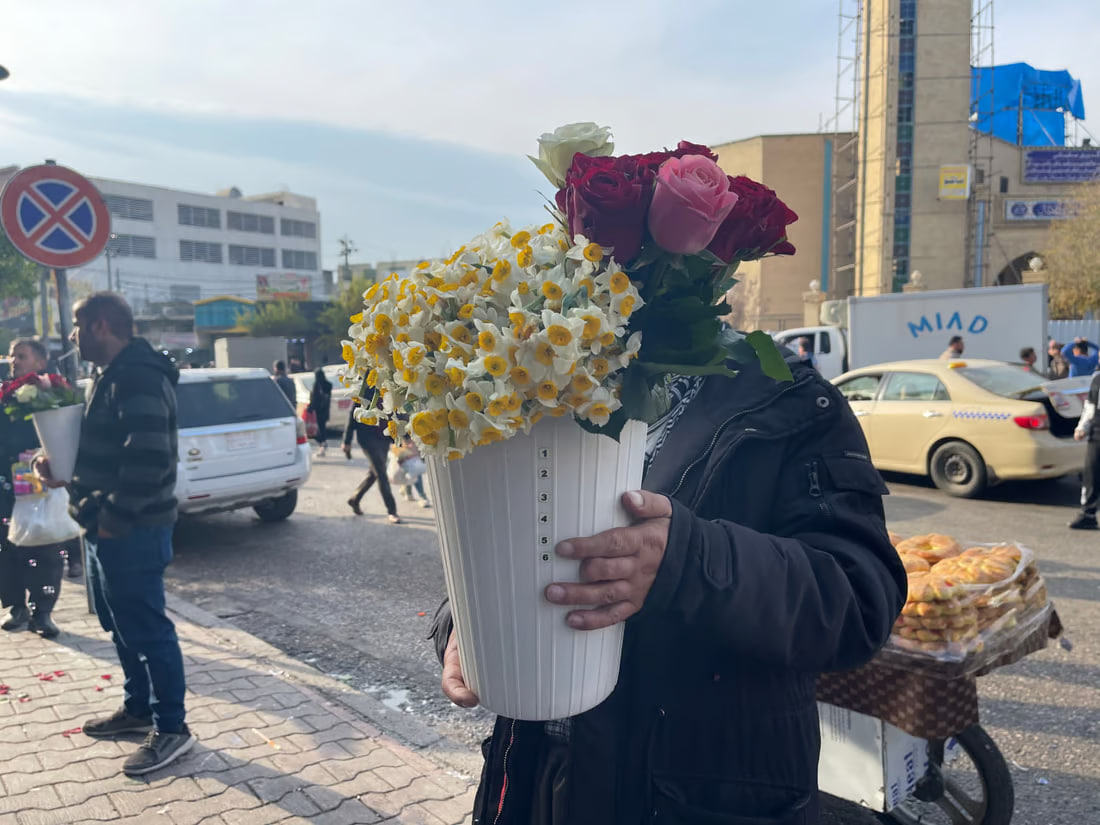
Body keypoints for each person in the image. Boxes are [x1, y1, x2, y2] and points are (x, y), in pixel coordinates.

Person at [431, 353, 907, 825]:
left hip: (699, 796)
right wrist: (468, 620)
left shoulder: (790, 397)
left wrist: (689, 561)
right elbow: (512, 543)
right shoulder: (535, 369)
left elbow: (860, 599)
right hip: (536, 773)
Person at [36, 293, 193, 777]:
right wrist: (62, 467)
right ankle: (138, 709)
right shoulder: (109, 374)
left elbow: (149, 457)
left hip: (132, 528)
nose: (72, 336)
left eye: (78, 325)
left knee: (148, 628)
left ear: (102, 326)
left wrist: (112, 520)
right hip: (105, 523)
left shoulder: (137, 374)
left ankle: (173, 729)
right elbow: (110, 446)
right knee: (121, 624)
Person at [1, 338, 66, 637]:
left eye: (22, 356)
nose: (14, 361)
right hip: (5, 485)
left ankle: (44, 611)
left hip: (38, 484)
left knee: (46, 551)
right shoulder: (4, 395)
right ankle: (17, 608)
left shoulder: (53, 393)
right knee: (7, 549)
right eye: (13, 356)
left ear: (41, 362)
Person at [342, 402, 401, 524]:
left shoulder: (389, 387)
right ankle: (392, 510)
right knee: (381, 473)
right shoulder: (365, 388)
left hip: (384, 437)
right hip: (368, 438)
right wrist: (346, 441)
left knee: (374, 473)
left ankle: (355, 499)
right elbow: (352, 416)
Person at [1071, 370, 1100, 530]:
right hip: (1097, 434)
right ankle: (1088, 514)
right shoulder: (1097, 379)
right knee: (1092, 475)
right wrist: (1082, 427)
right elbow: (1090, 407)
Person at [307, 367, 332, 455]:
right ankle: (323, 445)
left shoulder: (317, 385)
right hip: (325, 411)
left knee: (316, 431)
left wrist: (310, 409)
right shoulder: (328, 385)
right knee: (322, 428)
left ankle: (323, 445)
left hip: (318, 411)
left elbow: (314, 399)